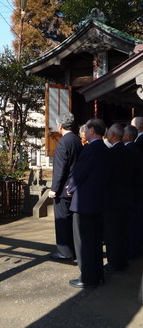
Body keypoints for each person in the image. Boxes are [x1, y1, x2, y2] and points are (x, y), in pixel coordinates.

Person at [67, 118, 110, 288]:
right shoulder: (105, 149)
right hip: (99, 202)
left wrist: (70, 187)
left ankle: (87, 277)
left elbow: (80, 173)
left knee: (83, 242)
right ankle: (97, 274)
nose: (84, 132)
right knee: (96, 241)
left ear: (92, 130)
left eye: (86, 129)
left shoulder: (91, 149)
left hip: (84, 203)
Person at [48, 113, 83, 260]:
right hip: (74, 187)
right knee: (72, 222)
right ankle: (74, 249)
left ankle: (64, 252)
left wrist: (54, 189)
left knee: (62, 221)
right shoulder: (77, 140)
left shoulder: (63, 142)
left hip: (63, 188)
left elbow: (59, 169)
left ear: (60, 126)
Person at [104, 123, 133, 273]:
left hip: (113, 199)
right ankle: (123, 260)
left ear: (114, 135)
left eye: (109, 133)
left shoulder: (111, 153)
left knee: (113, 233)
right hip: (128, 197)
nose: (107, 135)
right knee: (123, 231)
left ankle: (114, 262)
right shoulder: (129, 151)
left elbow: (106, 176)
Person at [123, 124, 143, 258]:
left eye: (124, 133)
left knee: (132, 223)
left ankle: (132, 251)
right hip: (137, 191)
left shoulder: (128, 150)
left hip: (132, 192)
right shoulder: (136, 149)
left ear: (129, 136)